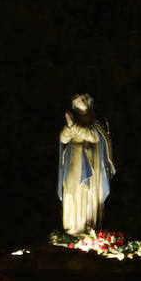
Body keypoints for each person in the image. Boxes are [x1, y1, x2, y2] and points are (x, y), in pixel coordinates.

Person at [58, 94, 115, 236]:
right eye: (76, 101)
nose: (79, 102)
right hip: (72, 162)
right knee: (72, 192)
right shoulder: (72, 122)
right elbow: (63, 139)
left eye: (83, 100)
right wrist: (69, 127)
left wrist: (74, 126)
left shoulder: (96, 122)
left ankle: (87, 227)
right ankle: (71, 227)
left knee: (86, 194)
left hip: (89, 165)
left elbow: (94, 136)